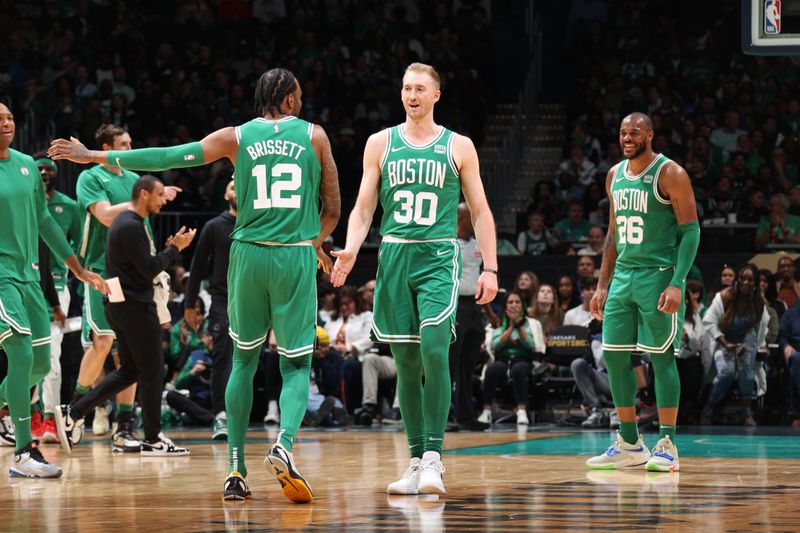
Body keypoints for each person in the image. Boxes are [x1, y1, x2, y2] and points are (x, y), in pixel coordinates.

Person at [50, 67, 341, 503]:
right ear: (290, 101)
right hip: (293, 253)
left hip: (246, 256)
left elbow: (168, 156)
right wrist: (315, 243)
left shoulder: (236, 137)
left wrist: (95, 156)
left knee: (242, 362)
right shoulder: (315, 136)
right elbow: (333, 208)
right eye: (298, 94)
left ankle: (235, 469)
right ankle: (283, 444)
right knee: (295, 365)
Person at [331, 63, 498, 496]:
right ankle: (415, 459)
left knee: (435, 351)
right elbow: (365, 207)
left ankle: (435, 460)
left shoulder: (458, 145)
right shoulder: (380, 142)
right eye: (406, 87)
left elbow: (479, 211)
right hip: (394, 254)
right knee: (405, 361)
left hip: (438, 255)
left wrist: (491, 267)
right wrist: (351, 247)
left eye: (420, 88)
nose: (412, 94)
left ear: (436, 95)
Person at [587, 112, 701, 472]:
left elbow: (691, 231)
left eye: (635, 132)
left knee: (661, 358)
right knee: (615, 356)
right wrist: (602, 284)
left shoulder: (671, 173)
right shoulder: (614, 176)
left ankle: (667, 442)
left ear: (650, 135)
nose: (627, 138)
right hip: (623, 276)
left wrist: (678, 282)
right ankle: (629, 442)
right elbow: (611, 235)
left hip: (658, 275)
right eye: (622, 133)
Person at [0, 103, 106, 478]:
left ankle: (9, 413)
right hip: (1, 276)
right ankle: (23, 453)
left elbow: (44, 220)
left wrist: (77, 268)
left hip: (29, 276)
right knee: (20, 352)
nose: (6, 123)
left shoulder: (28, 166)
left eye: (10, 117)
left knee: (42, 365)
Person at [55, 175, 195, 455]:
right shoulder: (131, 225)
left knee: (130, 370)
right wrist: (175, 249)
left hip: (120, 305)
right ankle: (153, 439)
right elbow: (149, 268)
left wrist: (166, 249)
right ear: (144, 195)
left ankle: (75, 410)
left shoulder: (124, 223)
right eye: (158, 196)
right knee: (154, 371)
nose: (161, 201)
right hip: (134, 306)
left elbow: (141, 264)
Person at [73, 124, 179, 450]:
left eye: (132, 143)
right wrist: (144, 199)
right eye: (124, 143)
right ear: (106, 146)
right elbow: (105, 216)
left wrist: (151, 197)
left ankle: (123, 425)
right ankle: (75, 407)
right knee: (103, 342)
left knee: (129, 356)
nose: (130, 148)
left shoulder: (136, 179)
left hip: (132, 279)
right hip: (98, 273)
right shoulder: (91, 178)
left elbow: (141, 230)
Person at [184, 179, 237, 440]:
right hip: (222, 299)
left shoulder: (260, 224)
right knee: (222, 356)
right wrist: (188, 305)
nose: (237, 187)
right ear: (226, 194)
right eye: (232, 185)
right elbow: (197, 267)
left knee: (249, 360)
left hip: (255, 299)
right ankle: (221, 416)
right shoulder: (214, 226)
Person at [37, 157, 82, 442]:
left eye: (48, 168)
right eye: (39, 168)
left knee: (50, 356)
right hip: (19, 282)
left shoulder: (70, 207)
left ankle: (50, 421)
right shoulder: (21, 201)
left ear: (56, 173)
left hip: (55, 285)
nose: (44, 173)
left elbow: (78, 245)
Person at [701, 264, 769, 427]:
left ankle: (747, 412)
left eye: (750, 279)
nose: (746, 282)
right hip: (723, 341)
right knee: (727, 372)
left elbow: (761, 325)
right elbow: (709, 321)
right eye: (743, 278)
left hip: (746, 341)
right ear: (738, 280)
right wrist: (727, 344)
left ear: (755, 283)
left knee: (747, 371)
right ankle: (708, 409)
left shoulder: (758, 301)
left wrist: (761, 346)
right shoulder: (725, 296)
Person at [449, 203, 491, 431]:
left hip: (475, 307)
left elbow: (482, 279)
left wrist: (490, 313)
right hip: (454, 305)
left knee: (468, 364)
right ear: (462, 219)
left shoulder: (477, 245)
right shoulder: (448, 244)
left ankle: (465, 415)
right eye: (472, 217)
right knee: (448, 364)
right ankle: (443, 417)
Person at [477, 291, 545, 426]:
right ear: (505, 306)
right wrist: (510, 328)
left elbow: (531, 344)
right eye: (510, 302)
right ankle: (486, 411)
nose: (514, 305)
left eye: (517, 302)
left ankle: (521, 411)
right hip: (502, 359)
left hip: (524, 359)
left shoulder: (532, 323)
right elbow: (495, 346)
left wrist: (518, 326)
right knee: (492, 370)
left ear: (523, 306)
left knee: (519, 369)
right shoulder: (497, 324)